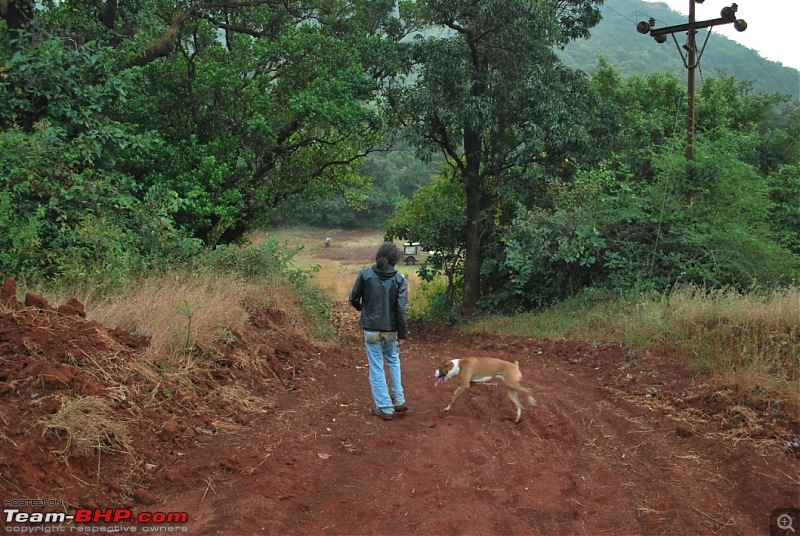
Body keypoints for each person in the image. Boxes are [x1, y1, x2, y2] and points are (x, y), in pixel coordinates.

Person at [349, 242, 409, 420]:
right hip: (390, 330)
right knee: (394, 361)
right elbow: (401, 309)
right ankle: (398, 399)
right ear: (395, 259)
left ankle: (385, 408)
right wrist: (402, 333)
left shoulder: (366, 274)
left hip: (371, 329)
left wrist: (362, 309)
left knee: (376, 367)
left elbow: (353, 297)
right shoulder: (400, 278)